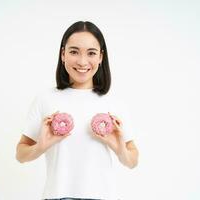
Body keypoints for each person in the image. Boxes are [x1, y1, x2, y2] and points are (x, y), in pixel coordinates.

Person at [16, 21, 139, 200]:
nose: (82, 61)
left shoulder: (114, 103)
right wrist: (41, 146)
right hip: (57, 196)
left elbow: (133, 161)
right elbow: (20, 154)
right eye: (74, 51)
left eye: (91, 53)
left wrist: (119, 148)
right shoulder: (45, 99)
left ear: (101, 57)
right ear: (63, 54)